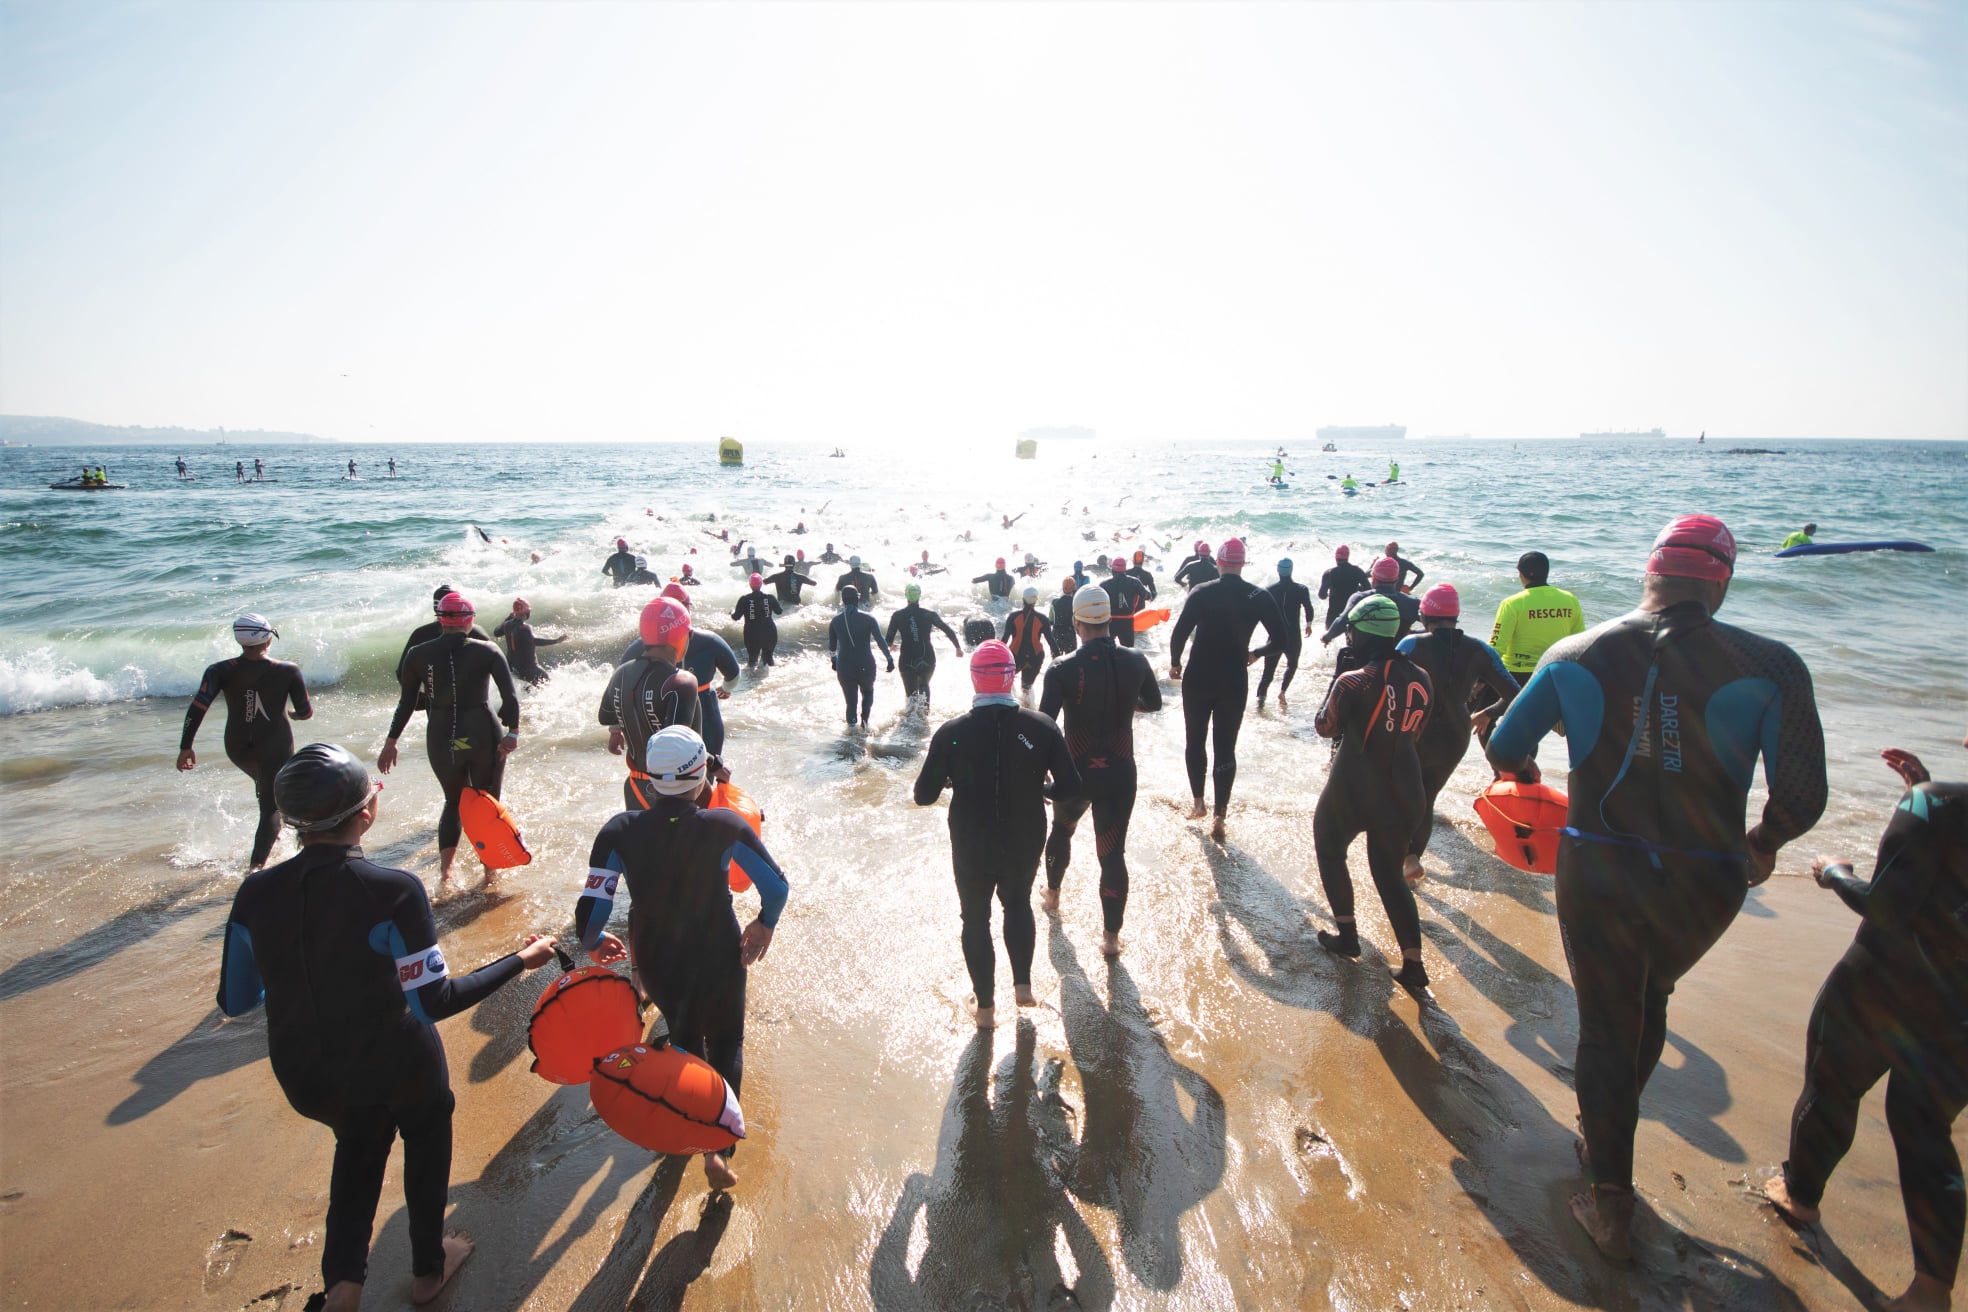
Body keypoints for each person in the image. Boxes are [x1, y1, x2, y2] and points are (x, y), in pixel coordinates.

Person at [1486, 513, 1827, 1262]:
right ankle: (1610, 1132)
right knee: (1652, 997)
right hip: (1708, 878)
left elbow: (1507, 745)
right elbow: (1801, 796)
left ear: (1650, 575)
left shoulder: (1575, 651)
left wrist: (1532, 782)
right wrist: (1763, 844)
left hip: (1599, 864)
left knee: (1608, 1022)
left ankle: (1610, 1196)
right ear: (1722, 581)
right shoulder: (1771, 664)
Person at [217, 744, 558, 1311]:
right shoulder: (393, 890)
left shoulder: (255, 893)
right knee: (425, 1133)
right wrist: (522, 960)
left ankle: (343, 1291)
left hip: (306, 1073)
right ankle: (428, 1267)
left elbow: (236, 998)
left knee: (357, 1144)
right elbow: (434, 1002)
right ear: (366, 813)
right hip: (395, 1063)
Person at [1764, 740, 1967, 1312]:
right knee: (1925, 1127)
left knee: (1831, 1085)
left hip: (1885, 984)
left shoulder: (1938, 806)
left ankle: (1800, 1197)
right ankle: (1931, 1292)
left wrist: (1835, 873)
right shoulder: (1938, 804)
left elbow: (1886, 907)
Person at [577, 724, 788, 1192]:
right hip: (718, 952)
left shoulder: (618, 831)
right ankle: (718, 1150)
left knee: (686, 1038)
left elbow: (592, 909)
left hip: (656, 958)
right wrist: (763, 924)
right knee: (728, 1042)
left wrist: (593, 941)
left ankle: (684, 1127)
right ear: (702, 778)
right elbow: (777, 887)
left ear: (649, 780)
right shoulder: (723, 826)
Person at [914, 643, 1082, 1027]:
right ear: (1011, 678)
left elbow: (923, 796)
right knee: (1019, 903)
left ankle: (986, 1009)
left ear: (974, 678)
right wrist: (1041, 790)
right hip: (1024, 833)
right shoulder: (1041, 726)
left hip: (972, 838)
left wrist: (954, 777)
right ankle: (1023, 987)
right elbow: (1071, 788)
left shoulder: (951, 732)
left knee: (975, 919)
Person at [1312, 594, 1435, 992]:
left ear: (1360, 633)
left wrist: (1335, 682)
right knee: (1388, 875)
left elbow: (1325, 727)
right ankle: (1413, 964)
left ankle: (1347, 937)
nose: (1347, 634)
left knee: (1330, 849)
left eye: (1350, 629)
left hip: (1355, 785)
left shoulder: (1355, 679)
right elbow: (1415, 731)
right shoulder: (1421, 676)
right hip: (1406, 787)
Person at [1040, 586, 1161, 955]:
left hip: (1074, 775)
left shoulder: (1061, 668)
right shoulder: (1137, 660)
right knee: (1113, 855)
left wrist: (1040, 776)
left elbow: (1046, 725)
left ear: (1077, 623)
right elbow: (1153, 703)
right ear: (1109, 620)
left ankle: (1054, 896)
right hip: (1119, 773)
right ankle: (1111, 939)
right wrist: (1125, 706)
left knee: (1062, 830)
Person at [380, 593, 521, 883]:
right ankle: (489, 872)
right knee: (486, 801)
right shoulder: (488, 651)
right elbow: (510, 697)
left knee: (453, 801)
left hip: (442, 734)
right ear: (470, 620)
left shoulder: (417, 653)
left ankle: (446, 874)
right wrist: (512, 733)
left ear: (440, 619)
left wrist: (391, 742)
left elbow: (406, 703)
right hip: (483, 732)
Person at [1395, 585, 1518, 882]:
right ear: (1456, 616)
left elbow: (1387, 681)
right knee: (1428, 796)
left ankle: (1401, 857)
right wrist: (1489, 712)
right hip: (1455, 735)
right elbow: (1516, 693)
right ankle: (1411, 858)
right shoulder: (1480, 650)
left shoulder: (1411, 645)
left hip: (1414, 730)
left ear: (1424, 615)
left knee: (1399, 794)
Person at [1169, 538, 1285, 840]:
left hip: (1199, 676)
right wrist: (1256, 653)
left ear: (1219, 563)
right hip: (1234, 678)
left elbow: (1180, 633)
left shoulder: (1202, 592)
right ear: (1242, 563)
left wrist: (1174, 663)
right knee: (1226, 747)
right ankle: (1221, 815)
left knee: (1195, 740)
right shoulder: (1258, 595)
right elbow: (1281, 640)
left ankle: (1198, 804)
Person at [178, 614, 313, 870]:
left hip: (237, 748)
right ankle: (256, 869)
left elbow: (198, 708)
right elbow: (305, 712)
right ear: (267, 639)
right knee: (271, 805)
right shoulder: (288, 670)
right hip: (276, 745)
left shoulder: (219, 670)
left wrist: (186, 746)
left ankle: (274, 838)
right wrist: (294, 715)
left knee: (267, 789)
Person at [601, 598, 704, 809]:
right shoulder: (681, 682)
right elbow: (677, 747)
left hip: (635, 788)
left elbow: (606, 715)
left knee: (641, 842)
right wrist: (714, 764)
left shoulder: (620, 673)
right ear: (679, 636)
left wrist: (616, 732)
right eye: (688, 634)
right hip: (676, 794)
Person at [1488, 550, 1586, 681]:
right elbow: (1579, 642)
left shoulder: (1512, 603)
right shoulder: (1570, 599)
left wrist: (1480, 680)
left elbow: (1497, 647)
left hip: (1517, 673)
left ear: (1524, 574)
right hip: (1556, 671)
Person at [395, 584, 491, 713]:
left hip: (436, 706)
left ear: (437, 609)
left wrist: (418, 698)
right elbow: (495, 667)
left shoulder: (421, 634)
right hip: (473, 704)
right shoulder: (477, 632)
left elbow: (402, 672)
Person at [1322, 556, 1421, 658]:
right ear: (1396, 579)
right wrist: (1413, 634)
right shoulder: (1412, 603)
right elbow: (1434, 623)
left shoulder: (1359, 598)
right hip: (1396, 661)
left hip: (1363, 661)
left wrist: (1326, 637)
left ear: (1373, 578)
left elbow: (1342, 621)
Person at [1247, 558, 1314, 710]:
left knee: (1267, 675)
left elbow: (1256, 613)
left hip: (1274, 639)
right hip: (1293, 637)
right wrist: (1308, 625)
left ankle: (1260, 705)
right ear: (1291, 570)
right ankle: (1282, 691)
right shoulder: (1301, 589)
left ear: (1278, 570)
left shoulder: (1269, 590)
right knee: (1292, 665)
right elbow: (1309, 608)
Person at [885, 582, 963, 707]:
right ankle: (925, 717)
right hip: (927, 657)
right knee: (924, 684)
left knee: (911, 696)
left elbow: (888, 639)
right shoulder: (929, 614)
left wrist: (891, 646)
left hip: (906, 660)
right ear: (919, 596)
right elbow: (947, 630)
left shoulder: (897, 616)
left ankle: (912, 721)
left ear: (906, 595)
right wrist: (957, 648)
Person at [828, 585, 893, 728]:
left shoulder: (835, 621)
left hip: (844, 667)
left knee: (850, 703)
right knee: (868, 693)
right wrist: (889, 658)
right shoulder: (868, 619)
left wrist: (834, 661)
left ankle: (851, 735)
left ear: (843, 601)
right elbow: (880, 640)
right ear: (857, 599)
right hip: (866, 664)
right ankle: (864, 723)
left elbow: (832, 648)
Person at [1001, 586, 1056, 692]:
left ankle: (1012, 706)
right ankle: (1028, 706)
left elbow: (1004, 640)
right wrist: (1057, 660)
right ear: (1036, 600)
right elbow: (1051, 641)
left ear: (1022, 599)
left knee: (1006, 687)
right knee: (1026, 689)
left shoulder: (1013, 617)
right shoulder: (1043, 619)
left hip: (1016, 656)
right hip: (1035, 657)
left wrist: (995, 657)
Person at [731, 574, 783, 670]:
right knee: (768, 661)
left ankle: (751, 682)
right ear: (761, 585)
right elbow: (779, 611)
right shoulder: (770, 598)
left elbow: (736, 617)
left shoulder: (744, 599)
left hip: (752, 634)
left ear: (750, 585)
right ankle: (771, 681)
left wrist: (731, 612)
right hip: (769, 632)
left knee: (752, 661)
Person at [1318, 545, 1369, 631]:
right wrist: (1357, 589)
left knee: (1328, 639)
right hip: (1352, 611)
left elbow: (1322, 595)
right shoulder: (1357, 571)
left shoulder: (1329, 573)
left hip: (1334, 613)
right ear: (1348, 556)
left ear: (1336, 557)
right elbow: (1368, 589)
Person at [1049, 578, 1080, 656]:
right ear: (1074, 588)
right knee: (1070, 661)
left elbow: (1051, 620)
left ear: (1063, 588)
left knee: (1055, 662)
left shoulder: (1054, 602)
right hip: (1069, 634)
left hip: (1056, 634)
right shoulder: (1075, 602)